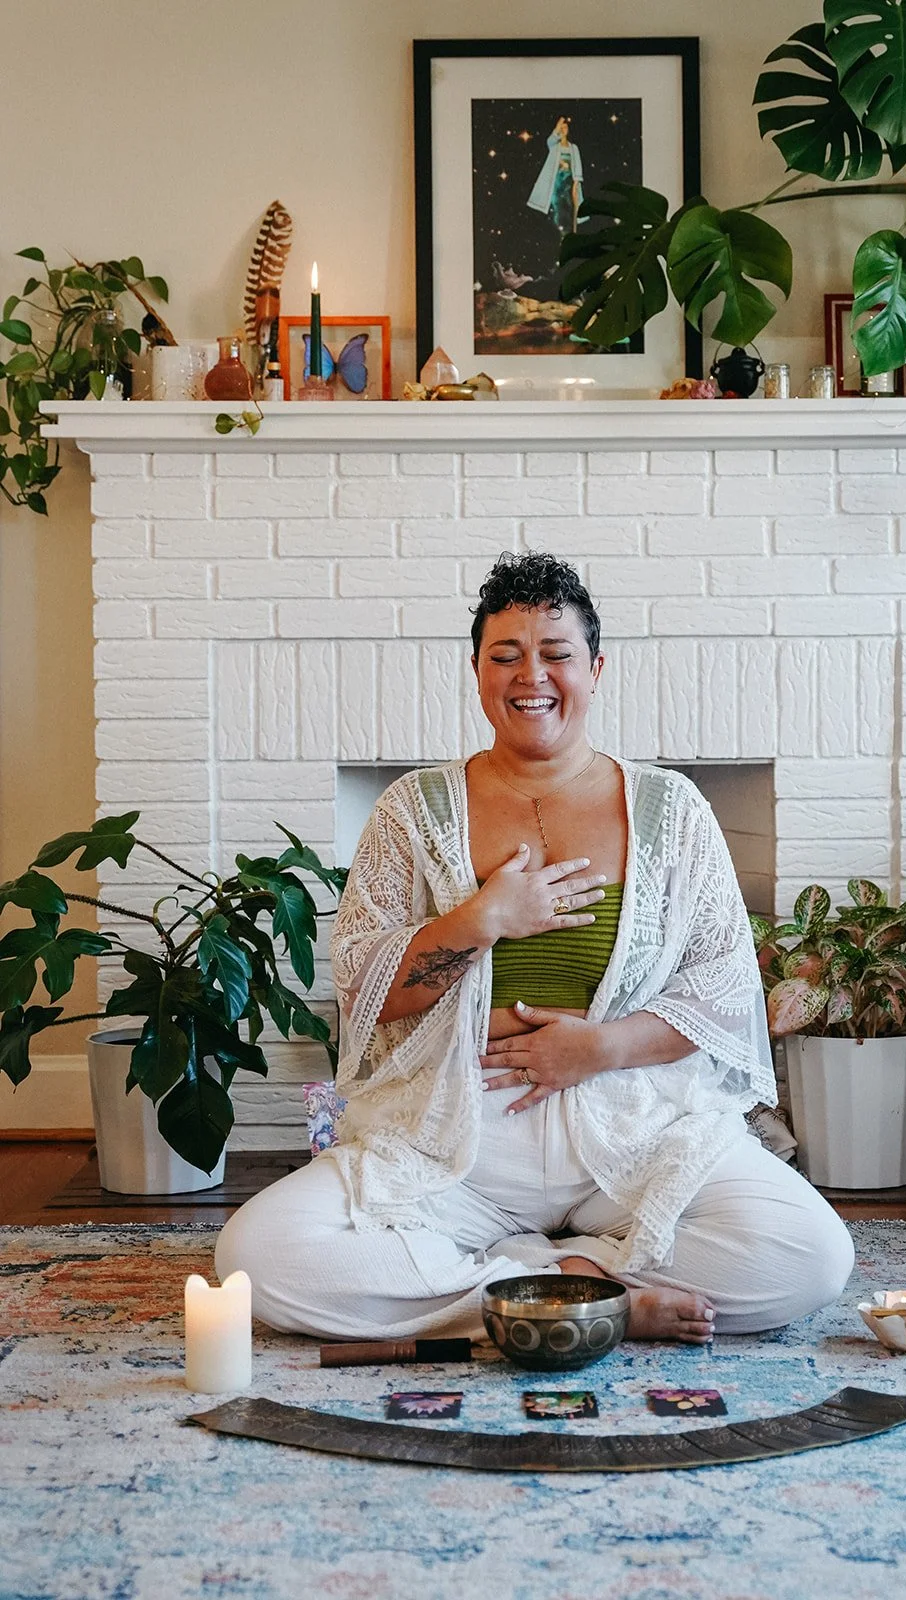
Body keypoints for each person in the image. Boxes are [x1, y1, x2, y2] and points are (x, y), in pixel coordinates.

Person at [216, 553, 854, 1342]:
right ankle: (571, 1288)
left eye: (555, 654)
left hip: (633, 1128)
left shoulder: (671, 807)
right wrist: (482, 918)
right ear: (477, 670)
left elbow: (722, 993)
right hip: (459, 1134)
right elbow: (366, 991)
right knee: (256, 1258)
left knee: (809, 1257)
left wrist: (595, 1049)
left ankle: (545, 1281)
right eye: (505, 655)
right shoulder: (412, 810)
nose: (532, 676)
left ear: (594, 666)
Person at [526, 116, 584, 234]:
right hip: (557, 182)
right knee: (558, 206)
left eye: (565, 128)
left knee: (570, 206)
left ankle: (569, 233)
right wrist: (557, 129)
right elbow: (550, 141)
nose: (563, 130)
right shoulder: (555, 147)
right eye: (561, 128)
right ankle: (560, 231)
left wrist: (576, 184)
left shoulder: (574, 148)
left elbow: (577, 166)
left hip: (569, 182)